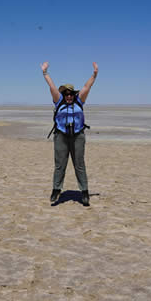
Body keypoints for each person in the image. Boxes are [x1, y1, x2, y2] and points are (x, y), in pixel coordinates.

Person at [40, 61, 98, 206]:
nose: (68, 96)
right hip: (61, 136)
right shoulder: (58, 101)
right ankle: (56, 189)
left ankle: (84, 193)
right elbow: (52, 87)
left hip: (78, 136)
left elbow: (87, 86)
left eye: (70, 93)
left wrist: (94, 74)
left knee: (79, 164)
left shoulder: (79, 101)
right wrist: (45, 73)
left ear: (74, 94)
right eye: (66, 93)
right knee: (60, 164)